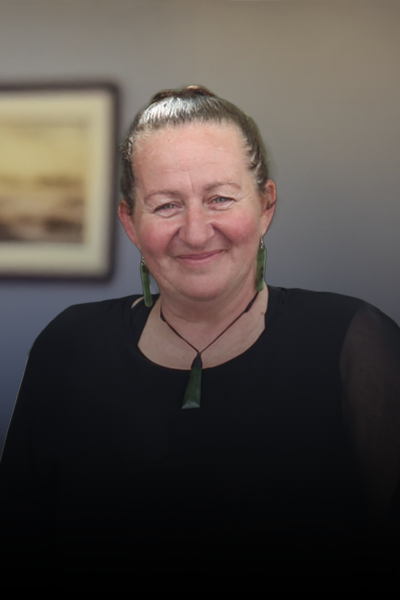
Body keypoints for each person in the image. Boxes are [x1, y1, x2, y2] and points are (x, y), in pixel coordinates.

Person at [1, 85, 399, 581]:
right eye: (166, 205)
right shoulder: (68, 347)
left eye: (220, 199)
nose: (195, 231)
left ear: (266, 206)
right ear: (130, 221)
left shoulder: (354, 345)